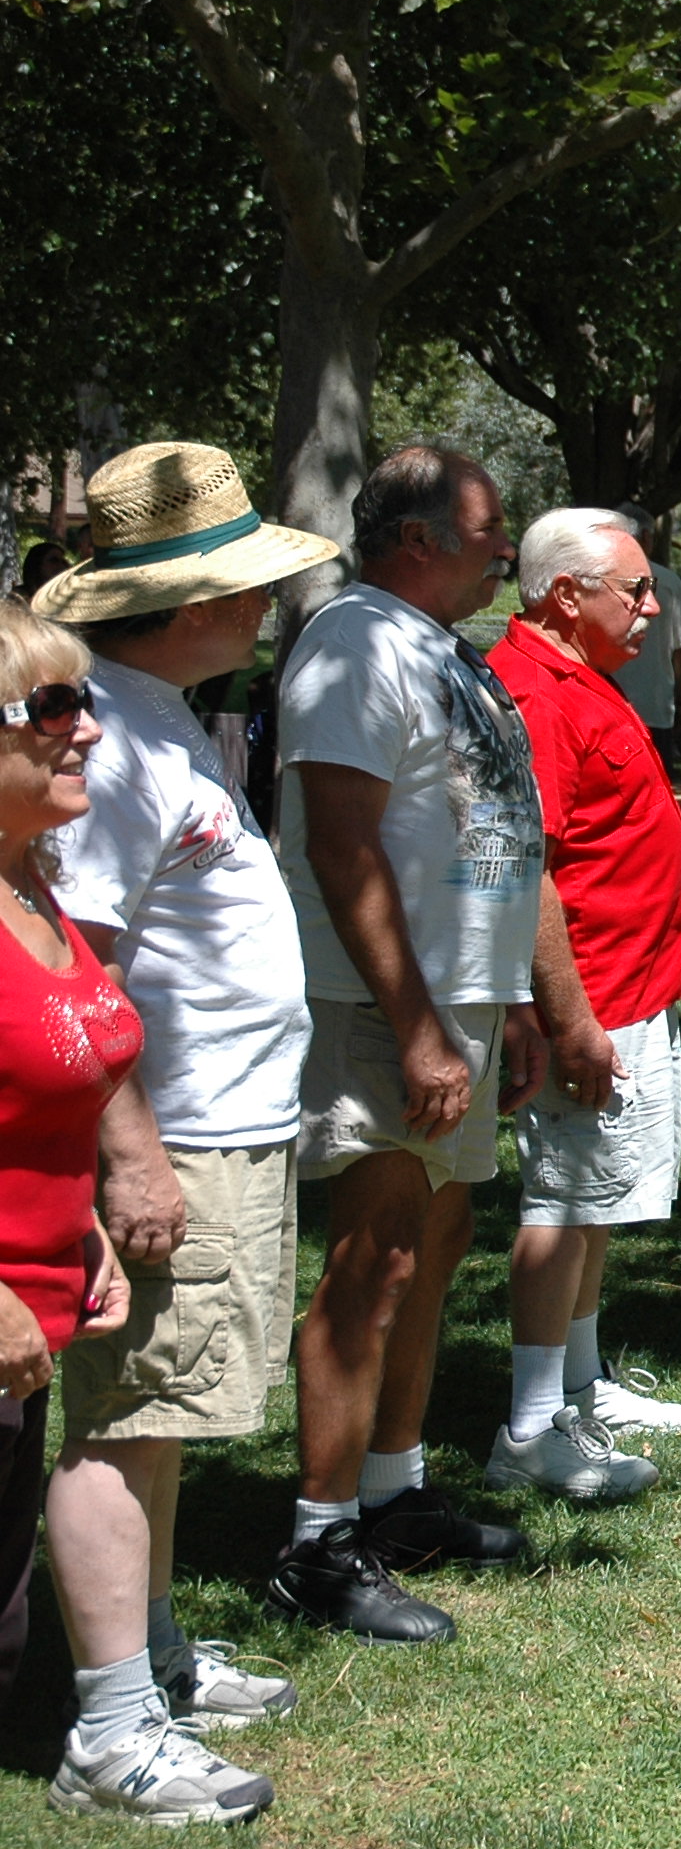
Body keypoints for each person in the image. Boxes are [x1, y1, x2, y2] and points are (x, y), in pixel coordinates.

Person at [34, 441, 335, 1736]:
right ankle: (114, 1718)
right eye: (249, 582)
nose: (264, 603)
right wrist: (133, 1154)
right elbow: (80, 965)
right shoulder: (110, 742)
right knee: (127, 1419)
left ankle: (153, 1655)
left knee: (167, 1412)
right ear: (193, 601)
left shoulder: (155, 717)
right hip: (182, 1137)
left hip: (228, 1130)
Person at [0, 605, 273, 1824]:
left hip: (40, 1303)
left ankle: (109, 1731)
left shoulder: (31, 880)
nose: (87, 730)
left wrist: (88, 1219)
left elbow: (63, 1072)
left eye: (85, 701)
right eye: (52, 707)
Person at [269, 444, 547, 1638]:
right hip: (385, 1007)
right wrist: (418, 1023)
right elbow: (343, 842)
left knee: (434, 1241)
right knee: (373, 1259)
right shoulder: (353, 641)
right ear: (419, 537)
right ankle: (319, 1544)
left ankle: (395, 1497)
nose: (506, 547)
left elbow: (485, 834)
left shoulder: (443, 648)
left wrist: (512, 999)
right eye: (489, 528)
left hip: (459, 1004)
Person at [483, 509, 681, 1499]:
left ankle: (579, 1381)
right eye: (636, 589)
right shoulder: (533, 691)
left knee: (596, 1199)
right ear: (566, 594)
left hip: (628, 987)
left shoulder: (582, 675)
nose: (653, 608)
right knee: (563, 1201)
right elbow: (526, 866)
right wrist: (565, 1018)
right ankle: (532, 1426)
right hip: (591, 998)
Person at [604, 504, 681, 758]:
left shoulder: (596, 579)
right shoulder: (668, 582)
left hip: (604, 707)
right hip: (653, 707)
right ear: (645, 537)